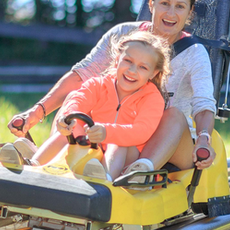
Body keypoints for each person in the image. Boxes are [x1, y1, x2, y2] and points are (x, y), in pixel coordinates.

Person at [7, 0, 217, 175]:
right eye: (164, 3)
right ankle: (48, 163)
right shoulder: (124, 35)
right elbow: (82, 75)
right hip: (111, 132)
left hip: (164, 141)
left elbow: (203, 104)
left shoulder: (194, 53)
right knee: (75, 101)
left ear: (189, 12)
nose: (171, 13)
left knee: (174, 115)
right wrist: (36, 112)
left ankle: (137, 174)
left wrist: (203, 139)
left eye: (180, 6)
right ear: (151, 3)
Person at [17, 31, 170, 180]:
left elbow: (141, 132)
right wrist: (67, 118)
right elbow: (78, 99)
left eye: (143, 67)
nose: (132, 70)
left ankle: (106, 179)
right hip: (93, 145)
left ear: (153, 73)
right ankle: (32, 166)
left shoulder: (152, 98)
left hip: (125, 156)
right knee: (67, 131)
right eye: (128, 61)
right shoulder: (99, 84)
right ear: (117, 60)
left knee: (118, 144)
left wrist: (107, 132)